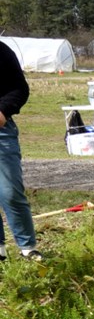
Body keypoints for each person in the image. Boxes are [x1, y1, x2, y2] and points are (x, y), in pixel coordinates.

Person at [0, 40, 42, 262]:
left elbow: (19, 88)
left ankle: (27, 247)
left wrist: (3, 111)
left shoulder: (2, 51)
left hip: (1, 132)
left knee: (9, 191)